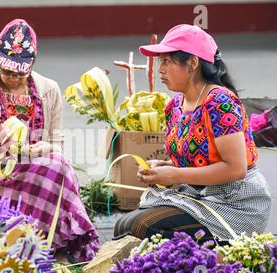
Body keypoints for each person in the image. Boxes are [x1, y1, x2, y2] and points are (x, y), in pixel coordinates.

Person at [0, 19, 98, 262]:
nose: (11, 77)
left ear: (30, 67)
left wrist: (45, 147)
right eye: (6, 71)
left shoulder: (48, 90)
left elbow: (56, 141)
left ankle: (47, 242)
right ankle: (10, 242)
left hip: (32, 165)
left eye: (19, 73)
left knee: (58, 164)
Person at [114, 24, 271, 244]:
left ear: (192, 63)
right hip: (195, 196)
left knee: (143, 227)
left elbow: (236, 168)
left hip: (232, 203)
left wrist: (175, 175)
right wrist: (166, 166)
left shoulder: (219, 102)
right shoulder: (175, 105)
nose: (160, 69)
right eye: (161, 62)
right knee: (124, 225)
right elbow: (195, 159)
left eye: (167, 61)